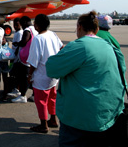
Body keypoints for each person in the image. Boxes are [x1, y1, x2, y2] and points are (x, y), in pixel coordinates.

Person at [46, 11, 126, 146]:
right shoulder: (109, 46)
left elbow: (51, 68)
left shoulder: (78, 46)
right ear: (97, 29)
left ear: (79, 27)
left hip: (81, 118)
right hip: (108, 113)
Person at [26, 14, 63, 133]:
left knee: (41, 100)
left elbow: (33, 61)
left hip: (42, 75)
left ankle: (43, 124)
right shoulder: (52, 34)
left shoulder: (38, 38)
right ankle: (53, 119)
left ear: (37, 25)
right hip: (53, 74)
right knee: (52, 97)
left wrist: (30, 75)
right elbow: (62, 47)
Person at [10, 16, 38, 103]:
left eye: (21, 24)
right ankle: (34, 95)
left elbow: (24, 41)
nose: (21, 27)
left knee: (24, 77)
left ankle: (23, 96)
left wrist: (17, 43)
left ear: (24, 23)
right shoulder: (35, 29)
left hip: (26, 58)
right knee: (33, 77)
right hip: (34, 57)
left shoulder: (28, 30)